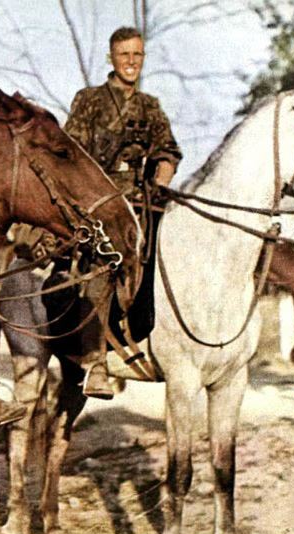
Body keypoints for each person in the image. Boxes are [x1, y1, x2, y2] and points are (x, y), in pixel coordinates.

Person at [62, 26, 183, 399]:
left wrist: (161, 180)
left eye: (137, 55)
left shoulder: (150, 105)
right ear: (111, 58)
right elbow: (72, 153)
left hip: (143, 200)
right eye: (124, 55)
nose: (131, 62)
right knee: (104, 261)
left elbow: (168, 151)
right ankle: (97, 360)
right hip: (99, 200)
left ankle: (166, 342)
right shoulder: (90, 100)